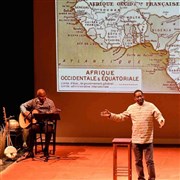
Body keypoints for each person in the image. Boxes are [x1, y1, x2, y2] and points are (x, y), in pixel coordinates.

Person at [100, 89, 165, 180]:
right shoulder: (131, 108)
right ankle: (141, 178)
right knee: (138, 162)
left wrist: (161, 120)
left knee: (149, 161)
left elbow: (158, 115)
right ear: (134, 98)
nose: (140, 98)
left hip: (147, 139)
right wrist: (111, 115)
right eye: (137, 97)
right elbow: (121, 117)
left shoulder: (150, 106)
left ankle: (152, 178)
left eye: (141, 96)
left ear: (143, 96)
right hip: (136, 140)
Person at [20, 88, 57, 158]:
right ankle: (30, 151)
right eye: (40, 97)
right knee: (31, 130)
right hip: (37, 123)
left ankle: (46, 149)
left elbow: (53, 111)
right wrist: (25, 112)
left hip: (47, 123)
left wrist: (48, 113)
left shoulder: (50, 102)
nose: (42, 98)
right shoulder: (34, 101)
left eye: (44, 96)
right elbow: (22, 106)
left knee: (49, 130)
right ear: (37, 96)